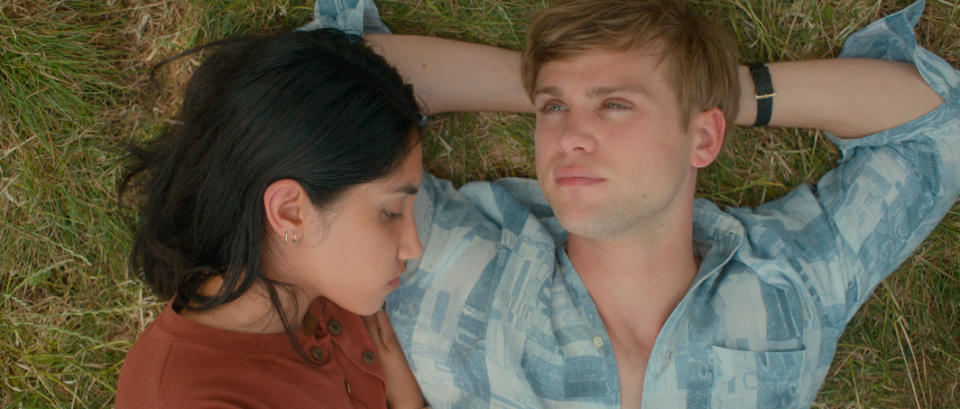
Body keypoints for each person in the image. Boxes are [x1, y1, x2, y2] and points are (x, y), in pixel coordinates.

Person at [302, 0, 958, 407]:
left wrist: (710, 92)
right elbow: (317, 85)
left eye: (616, 105)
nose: (569, 134)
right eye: (552, 109)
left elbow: (942, 126)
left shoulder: (789, 283)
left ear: (705, 134)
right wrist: (551, 84)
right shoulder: (449, 263)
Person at [116, 28, 430, 409]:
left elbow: (385, 88)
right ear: (290, 212)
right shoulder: (188, 397)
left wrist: (525, 83)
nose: (413, 246)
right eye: (390, 213)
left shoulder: (315, 279)